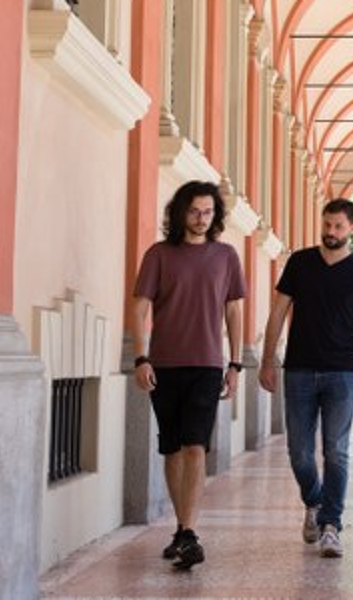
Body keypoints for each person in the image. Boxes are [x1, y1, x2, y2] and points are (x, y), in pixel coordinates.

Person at [130, 180, 246, 570]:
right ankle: (182, 529)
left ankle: (189, 531)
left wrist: (235, 363)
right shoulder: (159, 255)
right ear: (181, 212)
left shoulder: (226, 255)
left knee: (196, 445)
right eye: (195, 211)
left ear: (216, 216)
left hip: (208, 364)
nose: (201, 219)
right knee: (172, 447)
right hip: (163, 364)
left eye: (208, 212)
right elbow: (141, 306)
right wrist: (140, 357)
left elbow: (233, 312)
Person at [259, 198, 353, 559]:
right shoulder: (300, 263)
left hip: (342, 373)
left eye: (338, 226)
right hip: (298, 370)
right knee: (299, 452)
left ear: (352, 229)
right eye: (327, 225)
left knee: (336, 451)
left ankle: (331, 525)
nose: (330, 232)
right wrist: (267, 360)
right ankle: (314, 501)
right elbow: (278, 313)